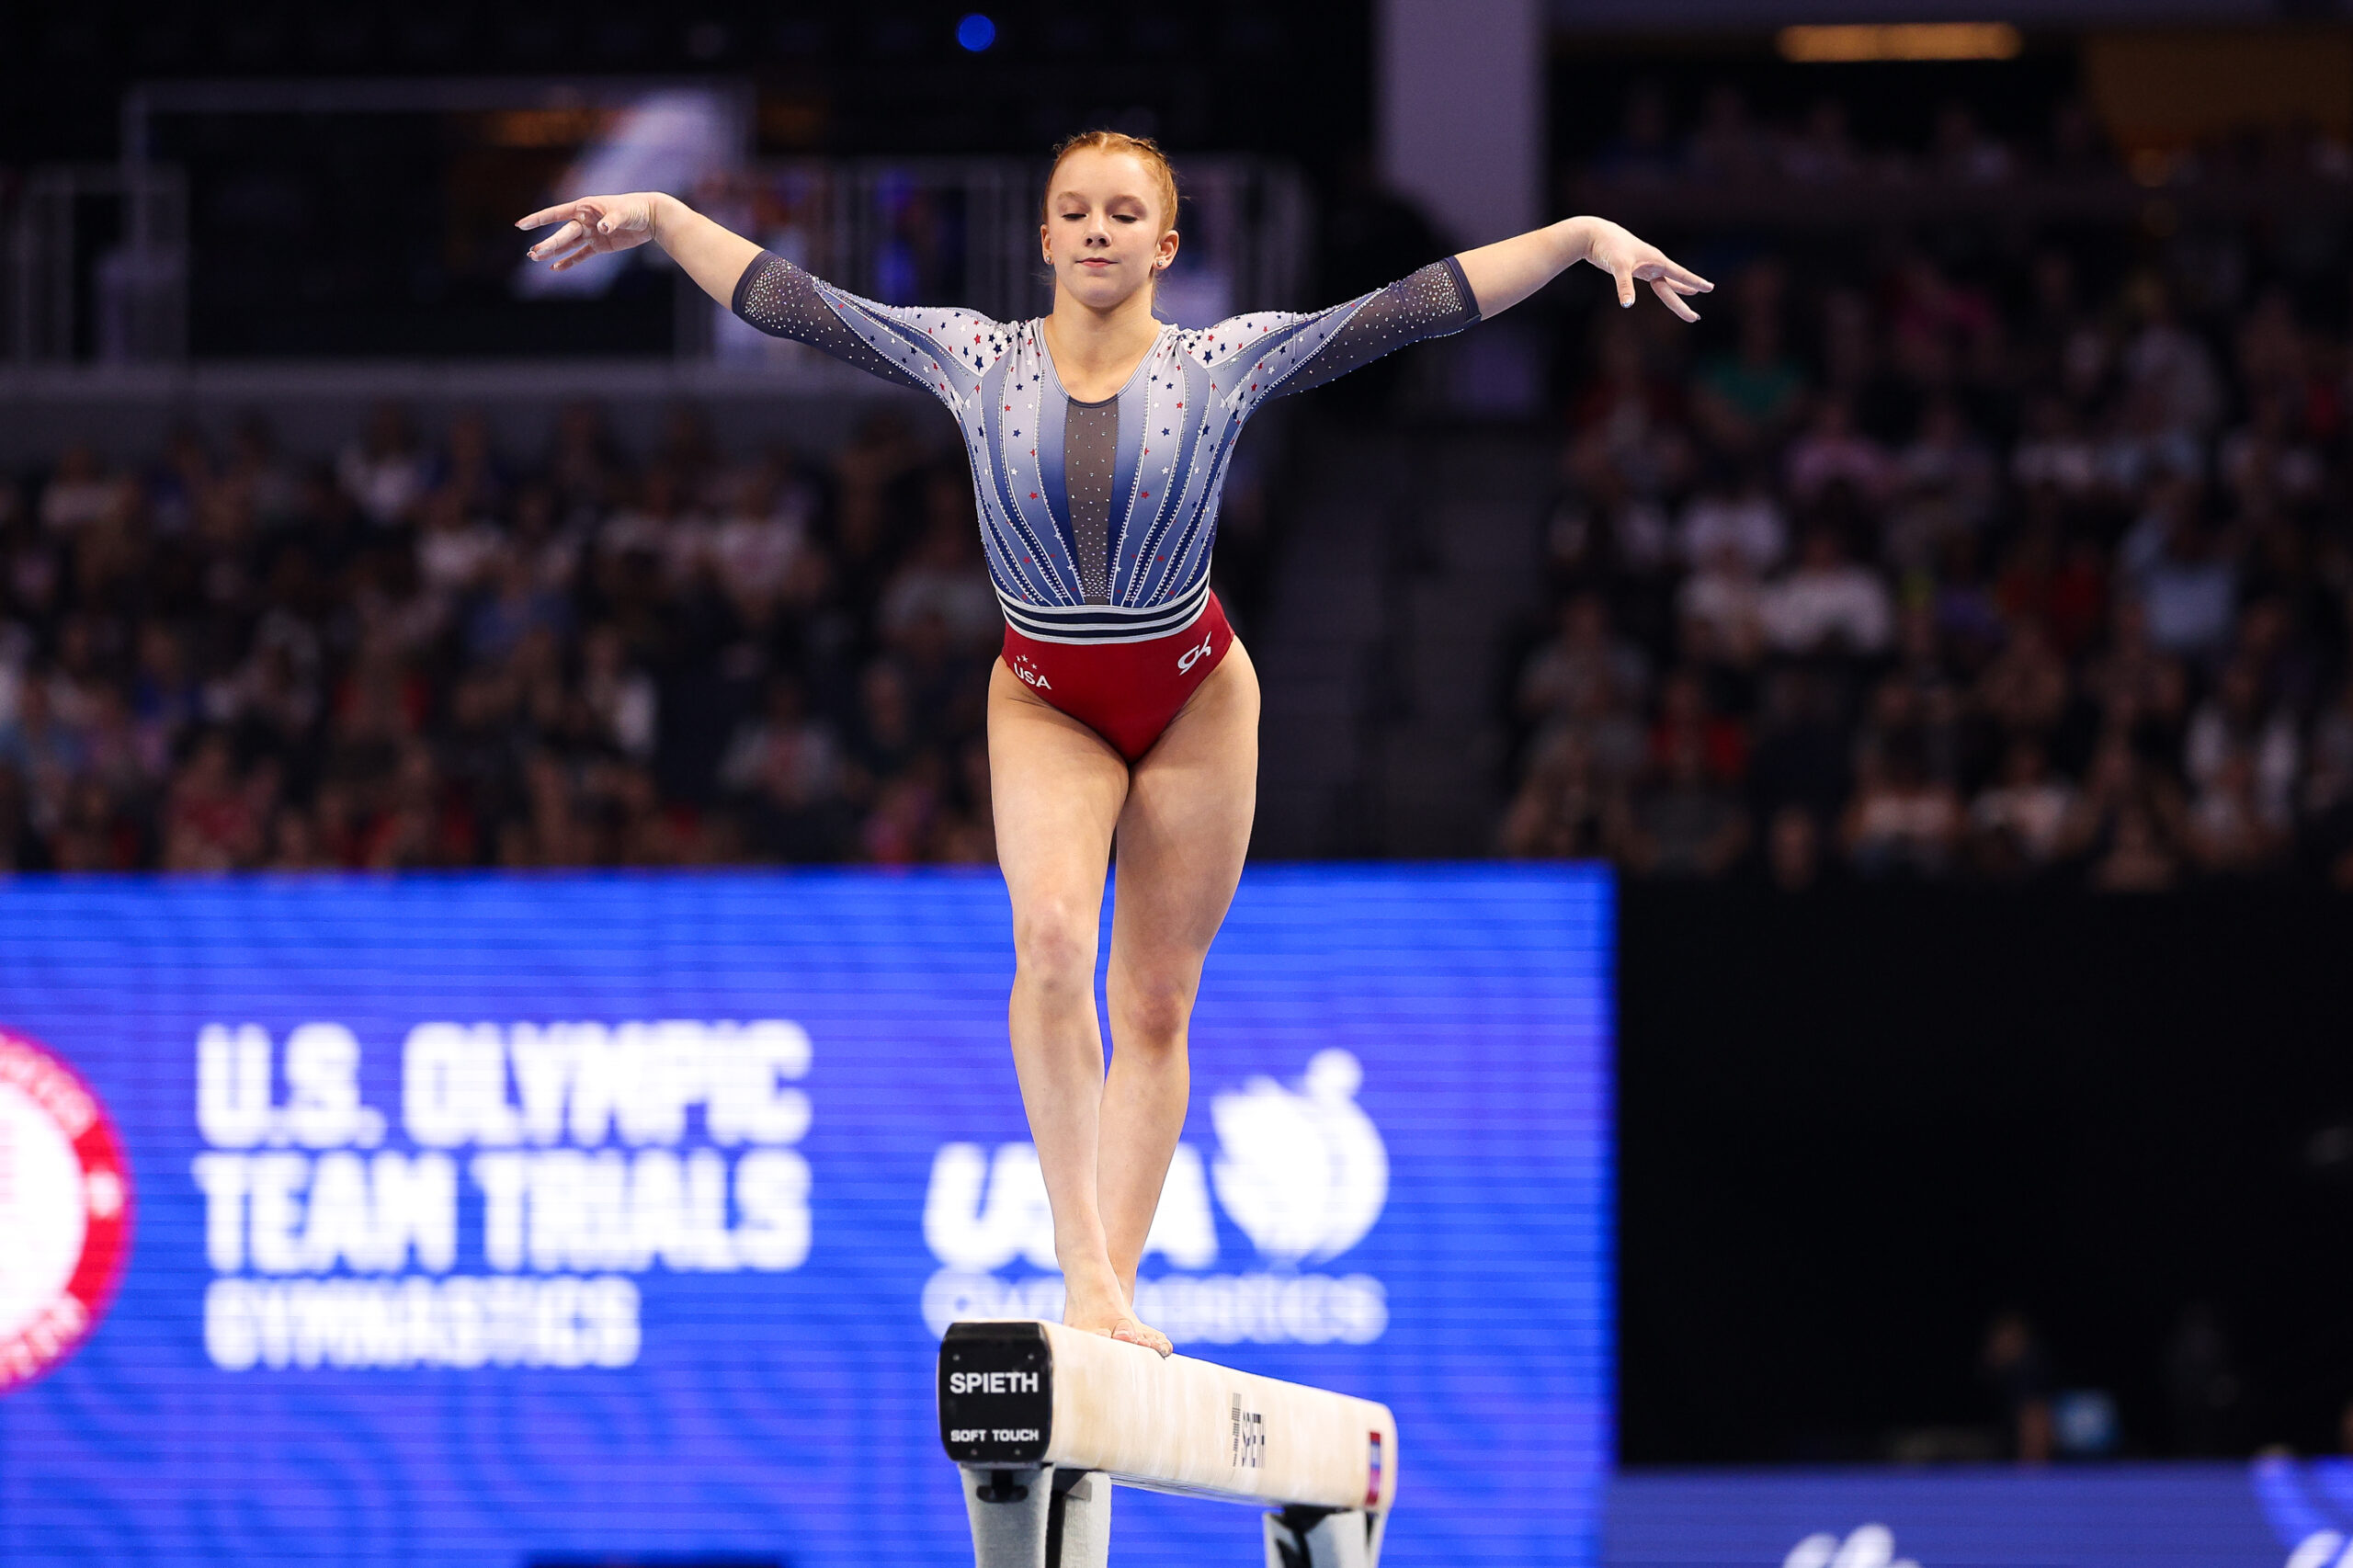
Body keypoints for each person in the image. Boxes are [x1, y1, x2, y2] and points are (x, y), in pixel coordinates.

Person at [520, 132, 1710, 1355]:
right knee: (1047, 946)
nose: (1097, 228)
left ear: (1166, 243)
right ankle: (1083, 1272)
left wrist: (1574, 240)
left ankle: (1117, 1293)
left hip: (1197, 697)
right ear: (1042, 238)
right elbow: (790, 301)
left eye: (1124, 213)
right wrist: (664, 217)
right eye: (1074, 211)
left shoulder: (1222, 363)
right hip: (1045, 699)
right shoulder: (970, 355)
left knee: (1152, 997)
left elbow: (1414, 308)